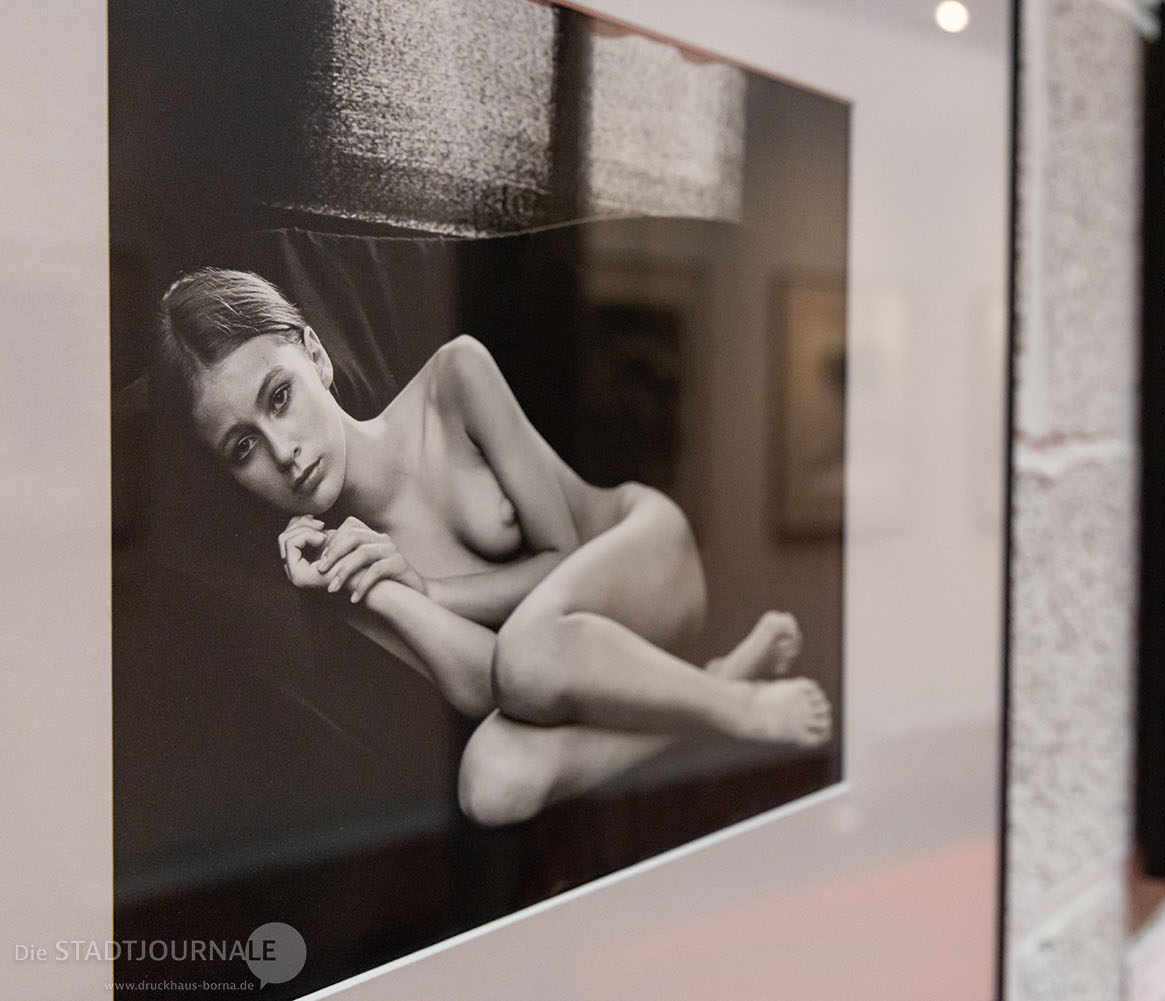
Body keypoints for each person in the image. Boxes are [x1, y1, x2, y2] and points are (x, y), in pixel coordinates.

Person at [154, 267, 832, 825]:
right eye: (242, 448)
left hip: (645, 563)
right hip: (575, 675)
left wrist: (431, 589)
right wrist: (385, 593)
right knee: (490, 785)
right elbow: (490, 688)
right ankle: (719, 688)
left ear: (315, 355)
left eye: (279, 397)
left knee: (530, 652)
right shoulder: (340, 563)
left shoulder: (455, 379)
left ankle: (739, 709)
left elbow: (565, 558)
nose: (283, 451)